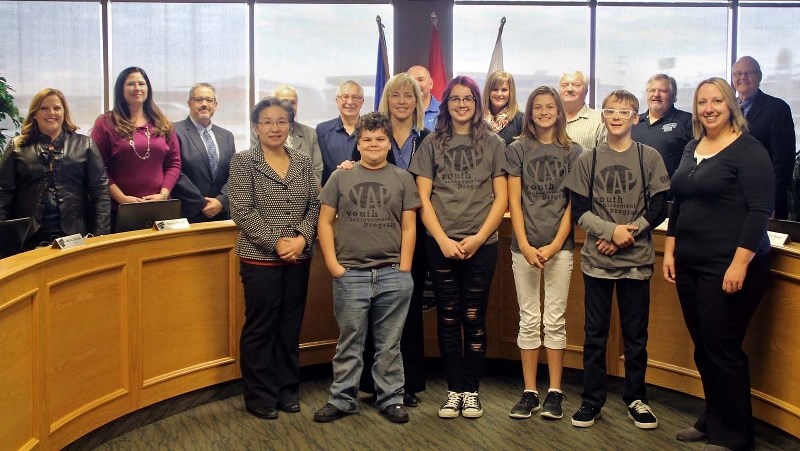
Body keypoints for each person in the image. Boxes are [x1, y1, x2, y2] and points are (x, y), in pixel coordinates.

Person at [663, 77, 773, 451]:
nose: (709, 108)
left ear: (731, 106)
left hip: (730, 265)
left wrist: (740, 262)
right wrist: (671, 250)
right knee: (704, 346)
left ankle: (735, 435)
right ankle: (714, 418)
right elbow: (679, 202)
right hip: (690, 263)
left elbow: (760, 212)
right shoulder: (693, 146)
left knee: (722, 347)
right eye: (702, 102)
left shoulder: (749, 150)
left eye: (717, 101)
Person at [563, 90, 669, 430]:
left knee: (635, 336)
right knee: (595, 335)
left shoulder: (649, 157)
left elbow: (659, 207)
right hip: (597, 263)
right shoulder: (588, 159)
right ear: (603, 117)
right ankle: (591, 401)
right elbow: (579, 210)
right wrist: (610, 232)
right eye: (611, 110)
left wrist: (628, 235)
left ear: (635, 118)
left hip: (636, 265)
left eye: (625, 111)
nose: (618, 116)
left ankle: (636, 399)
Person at [409, 76, 508, 420]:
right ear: (446, 103)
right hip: (441, 243)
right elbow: (422, 197)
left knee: (473, 317)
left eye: (468, 99)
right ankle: (453, 391)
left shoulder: (494, 144)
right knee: (449, 318)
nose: (462, 104)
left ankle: (472, 391)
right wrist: (442, 239)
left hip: (482, 243)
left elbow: (502, 198)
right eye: (455, 99)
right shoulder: (432, 143)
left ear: (477, 103)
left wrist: (479, 238)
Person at [313, 112, 420, 424]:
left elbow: (409, 227)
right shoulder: (340, 177)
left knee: (389, 344)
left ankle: (390, 399)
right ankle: (342, 399)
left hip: (392, 274)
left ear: (389, 143)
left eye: (380, 139)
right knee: (349, 342)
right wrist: (333, 266)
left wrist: (404, 269)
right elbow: (324, 221)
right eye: (367, 140)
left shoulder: (403, 178)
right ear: (357, 144)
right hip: (351, 275)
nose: (374, 144)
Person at [228, 97, 320, 420]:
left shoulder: (303, 161)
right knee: (261, 327)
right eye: (267, 122)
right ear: (255, 127)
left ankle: (286, 390)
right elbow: (241, 210)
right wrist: (277, 243)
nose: (274, 128)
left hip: (299, 256)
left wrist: (302, 238)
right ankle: (259, 394)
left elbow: (315, 205)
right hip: (259, 259)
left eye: (281, 121)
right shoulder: (243, 162)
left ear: (290, 125)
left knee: (289, 326)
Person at [350, 73, 430, 408]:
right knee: (372, 309)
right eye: (395, 95)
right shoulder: (374, 134)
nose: (401, 101)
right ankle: (370, 382)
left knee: (408, 312)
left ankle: (406, 383)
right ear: (387, 99)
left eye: (408, 95)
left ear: (417, 101)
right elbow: (352, 171)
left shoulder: (427, 139)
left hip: (415, 234)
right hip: (374, 231)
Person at [505, 86, 582, 420]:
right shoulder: (517, 149)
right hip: (523, 246)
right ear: (530, 111)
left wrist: (553, 245)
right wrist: (523, 243)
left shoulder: (574, 151)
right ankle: (529, 392)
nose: (544, 111)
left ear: (559, 111)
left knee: (554, 318)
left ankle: (555, 392)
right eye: (538, 106)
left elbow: (572, 206)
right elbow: (513, 201)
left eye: (550, 106)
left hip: (559, 248)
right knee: (528, 318)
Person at [0, 88, 110, 249]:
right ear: (34, 114)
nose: (51, 113)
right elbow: (3, 194)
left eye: (57, 108)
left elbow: (100, 193)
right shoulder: (17, 147)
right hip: (28, 238)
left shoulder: (85, 145)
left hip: (74, 236)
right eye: (43, 108)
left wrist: (100, 238)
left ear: (64, 112)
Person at [90, 67, 181, 229]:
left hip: (160, 209)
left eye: (141, 83)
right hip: (120, 210)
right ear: (121, 89)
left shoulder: (163, 123)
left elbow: (173, 163)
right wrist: (123, 199)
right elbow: (97, 170)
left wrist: (163, 195)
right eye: (131, 84)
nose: (137, 88)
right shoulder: (106, 123)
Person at [731, 56, 795, 219]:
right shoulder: (726, 110)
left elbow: (783, 162)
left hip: (763, 201)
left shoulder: (777, 109)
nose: (742, 78)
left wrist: (771, 201)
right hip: (731, 199)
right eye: (737, 74)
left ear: (759, 77)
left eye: (748, 73)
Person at [172, 83, 235, 222]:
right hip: (188, 214)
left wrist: (221, 201)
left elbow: (234, 173)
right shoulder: (174, 131)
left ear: (215, 105)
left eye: (209, 100)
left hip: (221, 215)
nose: (204, 104)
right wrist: (201, 203)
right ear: (189, 103)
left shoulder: (227, 136)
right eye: (199, 100)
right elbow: (174, 171)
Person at [250, 85, 323, 186]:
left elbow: (317, 172)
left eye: (293, 103)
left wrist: (293, 192)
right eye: (284, 102)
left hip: (302, 196)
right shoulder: (258, 132)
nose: (289, 106)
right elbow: (255, 168)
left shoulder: (310, 133)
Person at [631, 74, 693, 178]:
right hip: (636, 190)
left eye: (663, 91)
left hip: (671, 191)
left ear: (673, 97)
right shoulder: (634, 122)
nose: (656, 94)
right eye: (652, 90)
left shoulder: (687, 121)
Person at [316, 80, 364, 185]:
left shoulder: (370, 131)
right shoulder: (322, 131)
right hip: (330, 196)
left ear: (362, 102)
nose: (350, 102)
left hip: (363, 192)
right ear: (337, 101)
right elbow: (316, 168)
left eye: (355, 97)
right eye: (345, 97)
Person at [559, 70, 606, 151]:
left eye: (576, 85)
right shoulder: (549, 119)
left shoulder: (599, 120)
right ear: (559, 90)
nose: (570, 89)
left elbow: (605, 155)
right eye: (565, 85)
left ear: (586, 91)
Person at [483, 70, 523, 146]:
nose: (499, 94)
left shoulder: (521, 120)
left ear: (510, 92)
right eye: (495, 89)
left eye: (504, 90)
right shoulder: (478, 119)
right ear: (488, 92)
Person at [408, 65, 441, 131]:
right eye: (411, 81)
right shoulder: (401, 110)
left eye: (420, 80)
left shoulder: (444, 110)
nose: (416, 84)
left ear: (431, 83)